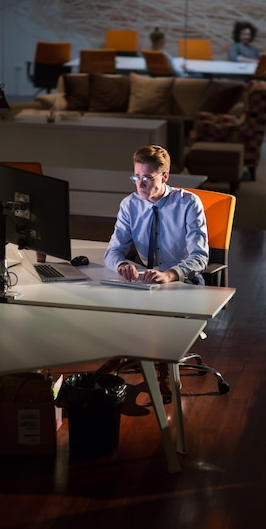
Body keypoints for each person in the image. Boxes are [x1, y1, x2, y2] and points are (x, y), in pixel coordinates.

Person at [104, 144, 209, 397]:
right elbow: (112, 251)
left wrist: (170, 274)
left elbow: (200, 257)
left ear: (164, 176)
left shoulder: (188, 203)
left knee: (159, 309)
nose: (140, 184)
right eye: (136, 177)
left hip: (183, 280)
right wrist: (121, 264)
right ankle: (125, 354)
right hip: (146, 279)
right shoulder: (130, 205)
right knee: (106, 298)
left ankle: (163, 366)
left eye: (147, 178)